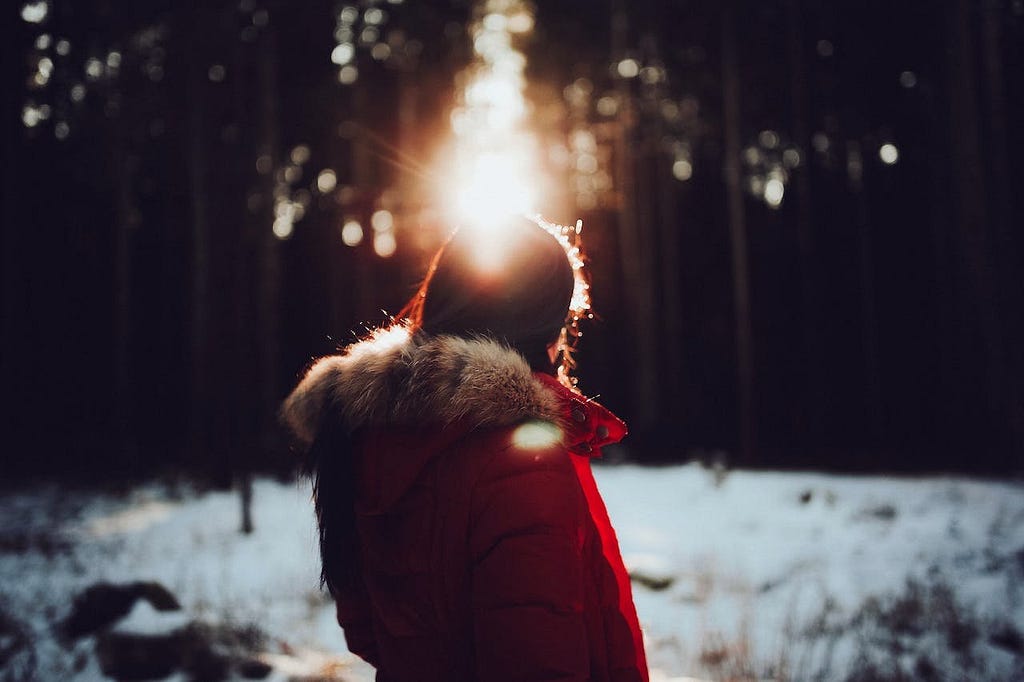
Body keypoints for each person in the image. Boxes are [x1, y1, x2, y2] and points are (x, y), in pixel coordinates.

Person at [280, 214, 649, 682]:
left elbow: (365, 627)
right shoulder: (519, 458)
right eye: (563, 322)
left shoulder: (368, 439)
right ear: (541, 328)